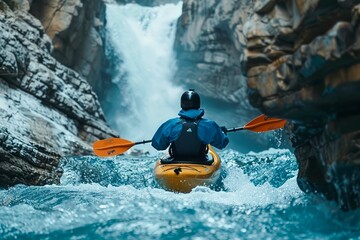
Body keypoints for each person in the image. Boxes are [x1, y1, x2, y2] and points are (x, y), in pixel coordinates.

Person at [151, 89, 229, 162]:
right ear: (198, 104)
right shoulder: (209, 125)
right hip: (200, 163)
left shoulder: (171, 124)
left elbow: (158, 145)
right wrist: (221, 132)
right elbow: (222, 143)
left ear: (182, 104)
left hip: (176, 162)